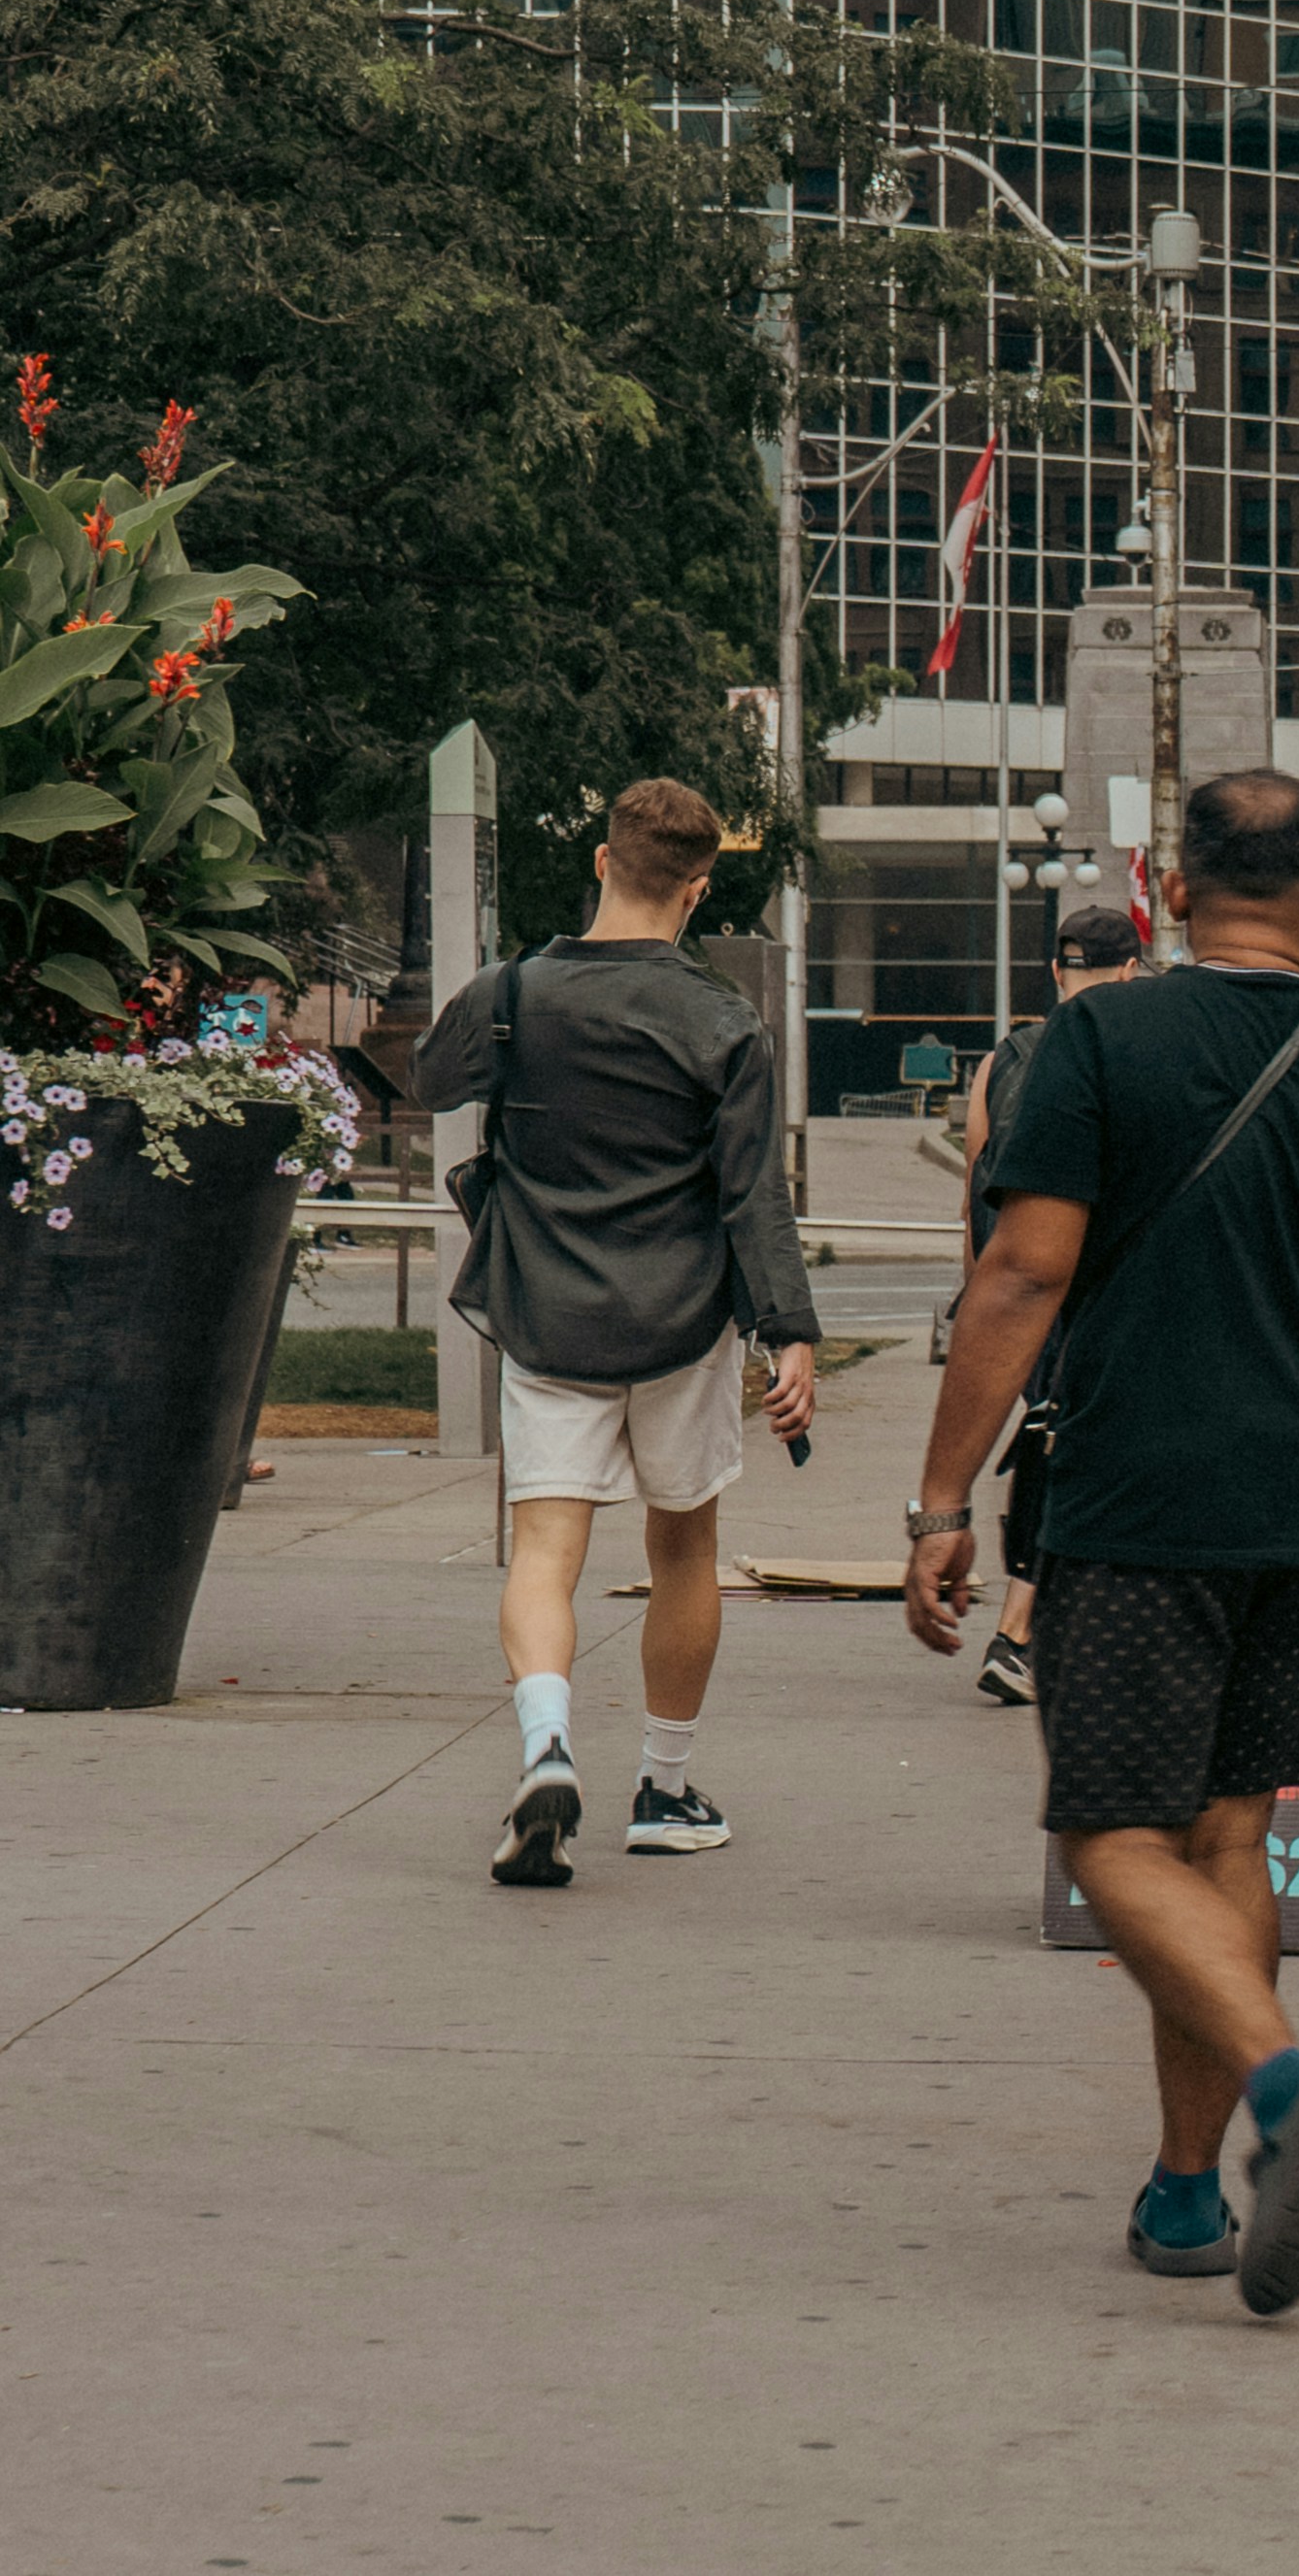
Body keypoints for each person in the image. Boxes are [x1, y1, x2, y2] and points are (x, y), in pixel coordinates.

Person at [898, 769, 1299, 2315]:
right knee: (1226, 1836)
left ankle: (1284, 2082)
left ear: (1173, 893)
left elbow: (1019, 1277)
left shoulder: (1101, 1039)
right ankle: (1185, 2193)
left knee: (1111, 1834)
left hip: (1139, 1503)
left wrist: (938, 1500)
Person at [415, 776, 819, 1884]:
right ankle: (666, 1786)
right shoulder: (723, 1020)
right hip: (684, 1319)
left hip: (546, 1312)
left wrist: (513, 993)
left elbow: (431, 1077)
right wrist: (790, 1333)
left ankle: (546, 1744)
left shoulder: (514, 992)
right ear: (696, 889)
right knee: (682, 1542)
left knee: (547, 1548)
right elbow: (753, 1196)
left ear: (601, 862)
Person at [949, 904, 1149, 1707]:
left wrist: (975, 1308)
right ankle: (1023, 1630)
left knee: (1048, 1431)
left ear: (1058, 971)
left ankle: (1044, 1626)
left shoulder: (1005, 1059)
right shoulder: (1132, 1049)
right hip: (1098, 1283)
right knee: (1078, 1445)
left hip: (1017, 1287)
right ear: (1131, 970)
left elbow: (973, 1189)